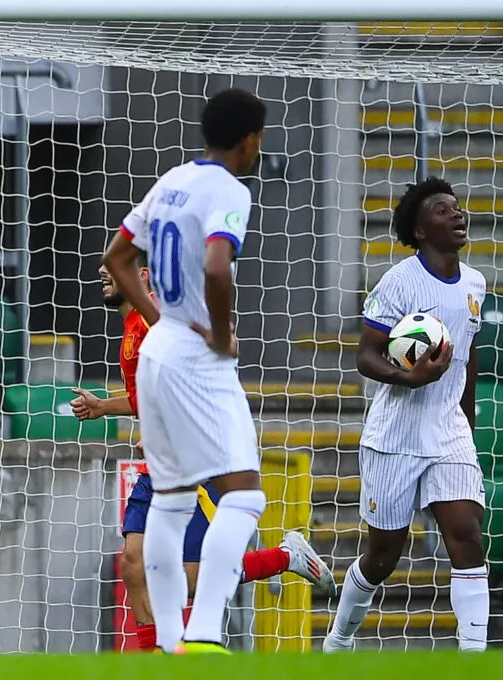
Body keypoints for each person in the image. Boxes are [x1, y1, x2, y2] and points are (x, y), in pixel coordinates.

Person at [73, 251, 335, 652]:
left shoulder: (156, 319)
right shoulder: (133, 326)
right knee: (133, 563)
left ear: (141, 274)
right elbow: (146, 393)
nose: (101, 272)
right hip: (163, 459)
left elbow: (203, 361)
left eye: (112, 265)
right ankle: (157, 660)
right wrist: (105, 407)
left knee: (188, 577)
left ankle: (285, 557)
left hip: (194, 459)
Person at [103, 87, 269, 654]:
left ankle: (172, 643)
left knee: (171, 502)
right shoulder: (230, 189)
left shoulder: (171, 179)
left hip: (158, 350)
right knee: (245, 496)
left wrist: (159, 319)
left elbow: (117, 257)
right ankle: (203, 632)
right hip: (198, 357)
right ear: (251, 139)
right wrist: (221, 338)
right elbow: (218, 266)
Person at [323, 178, 489, 653]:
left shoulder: (475, 283)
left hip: (449, 432)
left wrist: (467, 426)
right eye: (442, 211)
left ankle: (473, 656)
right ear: (419, 230)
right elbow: (367, 356)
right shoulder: (399, 281)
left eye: (457, 208)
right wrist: (411, 379)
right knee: (383, 557)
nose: (456, 215)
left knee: (466, 536)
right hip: (395, 434)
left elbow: (467, 359)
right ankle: (339, 641)